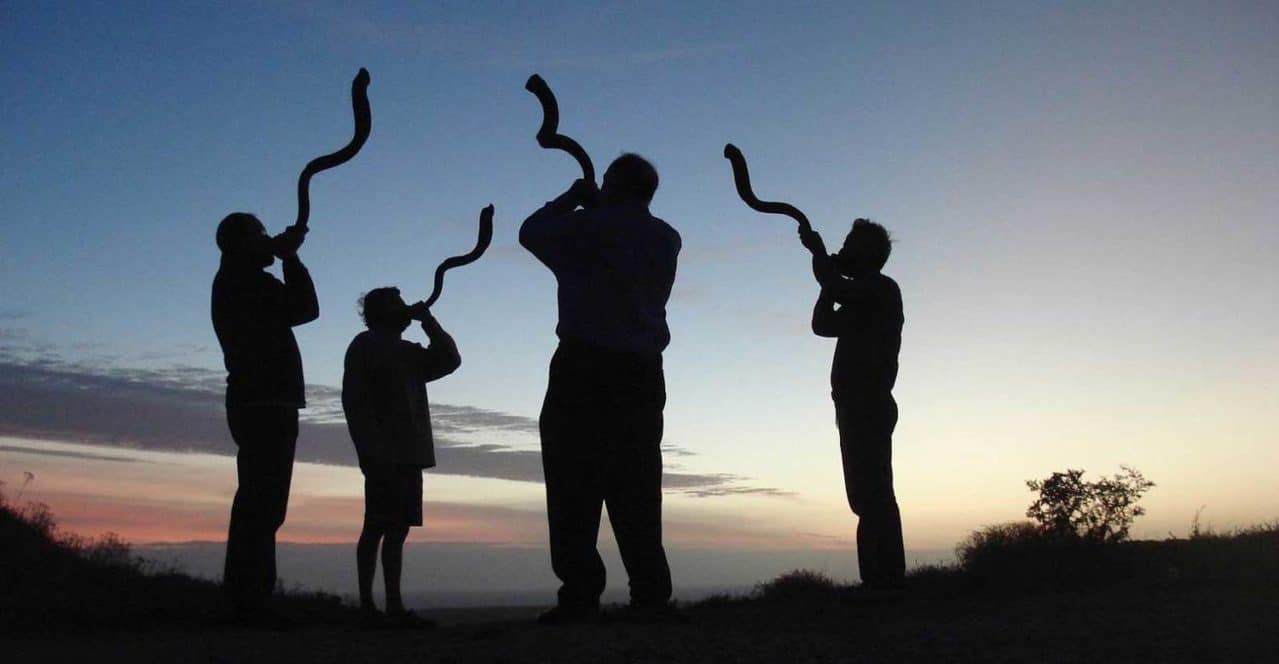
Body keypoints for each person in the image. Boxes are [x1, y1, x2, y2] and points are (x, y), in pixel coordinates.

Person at [520, 154, 681, 624]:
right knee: (638, 481)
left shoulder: (586, 226)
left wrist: (574, 197)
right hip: (642, 371)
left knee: (573, 481)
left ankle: (580, 592)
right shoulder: (666, 237)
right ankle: (650, 591)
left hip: (583, 365)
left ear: (611, 184)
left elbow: (531, 231)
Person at [211, 214, 316, 628]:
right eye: (259, 233)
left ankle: (247, 599)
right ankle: (250, 603)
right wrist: (289, 257)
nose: (266, 237)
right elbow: (306, 309)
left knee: (259, 501)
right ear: (241, 243)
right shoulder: (245, 281)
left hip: (262, 401)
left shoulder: (241, 279)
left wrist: (282, 252)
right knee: (262, 503)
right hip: (264, 402)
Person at [341, 287, 460, 629]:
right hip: (382, 453)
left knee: (398, 529)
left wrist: (429, 322)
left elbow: (450, 360)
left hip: (409, 454)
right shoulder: (365, 346)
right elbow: (355, 401)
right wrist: (369, 448)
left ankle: (393, 606)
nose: (403, 308)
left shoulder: (408, 353)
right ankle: (367, 605)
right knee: (376, 525)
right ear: (381, 312)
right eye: (396, 304)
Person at [800, 219, 906, 591]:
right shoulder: (862, 295)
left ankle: (886, 581)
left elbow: (836, 288)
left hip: (869, 403)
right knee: (864, 494)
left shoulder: (882, 290)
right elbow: (823, 324)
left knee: (874, 493)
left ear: (870, 255)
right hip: (853, 403)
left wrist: (819, 258)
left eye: (850, 244)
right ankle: (878, 579)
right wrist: (828, 278)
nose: (842, 248)